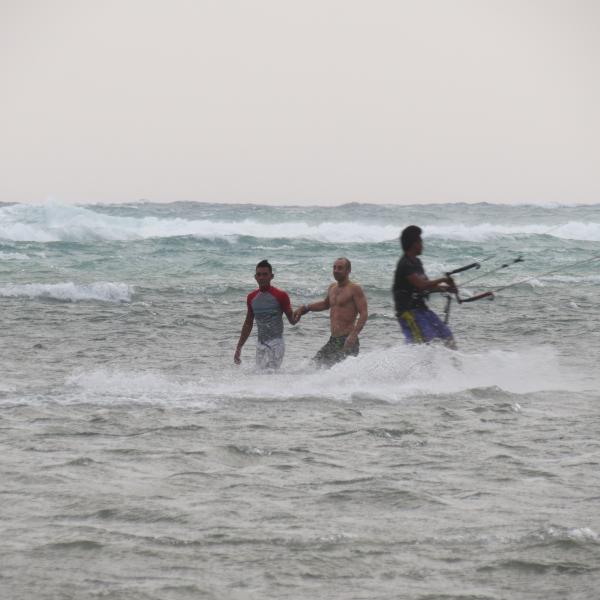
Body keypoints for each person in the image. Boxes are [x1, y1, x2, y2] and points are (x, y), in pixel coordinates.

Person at [294, 257, 368, 368]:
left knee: (342, 373)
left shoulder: (354, 289)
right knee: (314, 366)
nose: (336, 270)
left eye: (340, 268)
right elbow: (325, 304)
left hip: (348, 340)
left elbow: (364, 313)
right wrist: (306, 307)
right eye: (334, 268)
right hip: (334, 340)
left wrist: (353, 335)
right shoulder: (332, 287)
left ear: (348, 270)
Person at [393, 225, 457, 348]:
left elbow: (427, 288)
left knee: (447, 336)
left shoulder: (417, 262)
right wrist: (443, 280)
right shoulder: (404, 264)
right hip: (408, 312)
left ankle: (454, 366)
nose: (423, 245)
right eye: (421, 241)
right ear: (414, 244)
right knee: (426, 342)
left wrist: (445, 288)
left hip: (422, 309)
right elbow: (421, 285)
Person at [234, 260, 295, 370]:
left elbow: (292, 320)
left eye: (265, 274)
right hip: (260, 344)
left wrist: (304, 309)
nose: (261, 277)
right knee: (259, 377)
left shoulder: (281, 295)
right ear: (255, 277)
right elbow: (248, 324)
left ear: (271, 276)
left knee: (270, 375)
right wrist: (239, 347)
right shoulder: (251, 297)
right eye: (259, 274)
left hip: (277, 343)